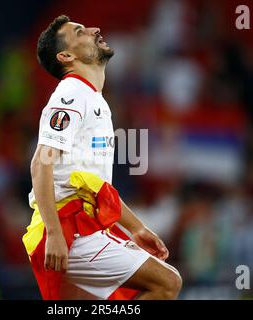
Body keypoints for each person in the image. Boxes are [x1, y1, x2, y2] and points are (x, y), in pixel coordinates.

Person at [23, 15, 182, 300]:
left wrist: (137, 228)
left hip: (86, 225)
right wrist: (55, 233)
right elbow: (40, 163)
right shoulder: (71, 94)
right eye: (80, 32)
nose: (95, 29)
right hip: (70, 229)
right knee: (167, 283)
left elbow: (94, 186)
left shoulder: (94, 100)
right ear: (66, 55)